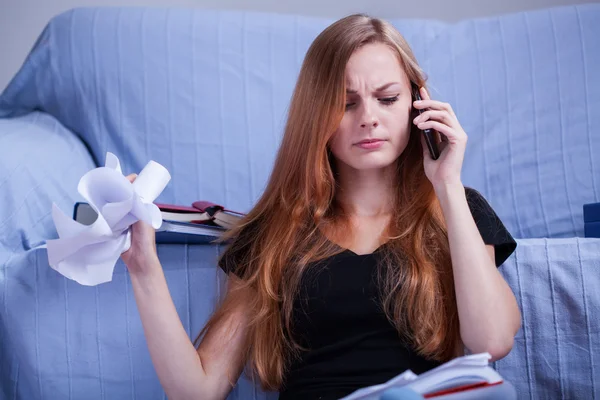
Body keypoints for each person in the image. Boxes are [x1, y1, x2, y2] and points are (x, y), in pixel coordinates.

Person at [120, 13, 521, 400]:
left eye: (388, 98)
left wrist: (447, 184)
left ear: (419, 103)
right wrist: (143, 267)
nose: (369, 118)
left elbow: (493, 340)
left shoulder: (458, 209)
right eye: (346, 104)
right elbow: (198, 390)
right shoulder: (275, 231)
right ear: (316, 115)